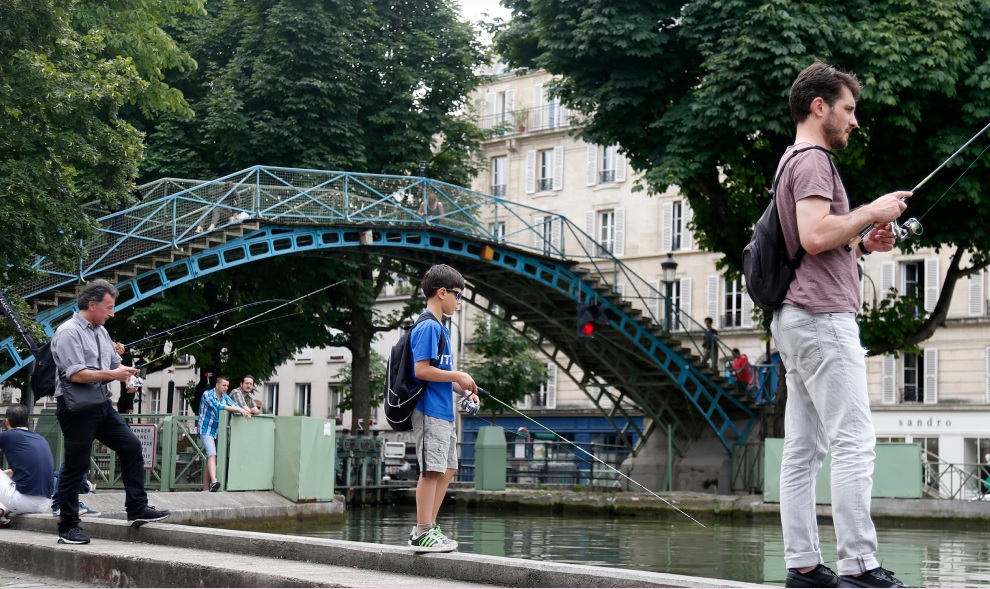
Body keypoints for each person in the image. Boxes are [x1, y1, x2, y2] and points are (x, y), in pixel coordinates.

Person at [770, 62, 910, 588]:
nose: (855, 121)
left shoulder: (791, 161)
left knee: (803, 451)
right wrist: (872, 211)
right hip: (823, 319)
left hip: (796, 317)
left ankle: (804, 566)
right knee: (854, 440)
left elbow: (822, 240)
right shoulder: (812, 162)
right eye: (848, 109)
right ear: (819, 106)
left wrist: (861, 241)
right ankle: (859, 566)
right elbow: (811, 235)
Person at [51, 279, 171, 545]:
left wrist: (127, 379)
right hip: (76, 409)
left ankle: (137, 509)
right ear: (92, 305)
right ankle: (68, 527)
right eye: (109, 307)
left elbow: (115, 364)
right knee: (76, 467)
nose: (112, 313)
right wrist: (114, 375)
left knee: (130, 446)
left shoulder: (101, 331)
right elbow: (77, 374)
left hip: (101, 404)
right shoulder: (68, 332)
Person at [407, 264, 478, 552]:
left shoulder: (441, 329)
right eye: (458, 296)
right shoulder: (427, 326)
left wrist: (465, 389)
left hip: (444, 411)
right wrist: (458, 375)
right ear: (442, 292)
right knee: (431, 471)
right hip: (429, 410)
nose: (459, 302)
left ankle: (430, 527)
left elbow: (442, 376)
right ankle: (422, 531)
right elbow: (421, 370)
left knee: (447, 469)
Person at [0, 404, 55, 525]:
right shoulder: (40, 439)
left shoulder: (8, 436)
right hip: (43, 504)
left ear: (7, 422)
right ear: (28, 421)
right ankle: (2, 510)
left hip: (21, 501)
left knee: (14, 491)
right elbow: (26, 468)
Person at [198, 376, 252, 492]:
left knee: (210, 457)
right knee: (212, 454)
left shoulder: (225, 397)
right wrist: (239, 410)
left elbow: (234, 404)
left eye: (227, 385)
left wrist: (245, 411)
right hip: (206, 429)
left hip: (218, 431)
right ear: (217, 385)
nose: (226, 388)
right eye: (224, 385)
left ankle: (206, 489)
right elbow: (218, 407)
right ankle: (214, 481)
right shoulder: (207, 394)